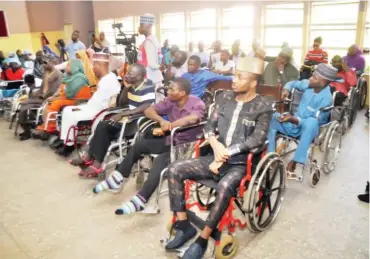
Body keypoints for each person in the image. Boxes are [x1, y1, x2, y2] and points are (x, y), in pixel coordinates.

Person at [164, 57, 272, 259]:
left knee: (224, 186)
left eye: (240, 77)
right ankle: (184, 225)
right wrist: (216, 145)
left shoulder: (263, 106)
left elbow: (257, 140)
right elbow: (208, 127)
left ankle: (202, 239)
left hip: (240, 165)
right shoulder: (223, 99)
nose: (234, 80)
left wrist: (226, 154)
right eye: (235, 75)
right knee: (174, 169)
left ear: (253, 82)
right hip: (213, 157)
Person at [92, 78, 205, 216]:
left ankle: (141, 199)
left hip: (188, 147)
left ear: (182, 93)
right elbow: (148, 111)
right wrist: (162, 120)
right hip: (170, 141)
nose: (167, 91)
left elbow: (192, 119)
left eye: (171, 89)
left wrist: (171, 125)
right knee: (139, 144)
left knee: (159, 163)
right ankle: (118, 177)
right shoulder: (170, 100)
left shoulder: (197, 103)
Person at [70, 64, 156, 176]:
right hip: (130, 118)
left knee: (105, 127)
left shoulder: (148, 86)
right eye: (127, 72)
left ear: (140, 76)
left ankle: (95, 163)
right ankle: (91, 157)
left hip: (140, 121)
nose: (126, 75)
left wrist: (124, 113)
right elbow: (122, 103)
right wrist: (126, 87)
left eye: (130, 73)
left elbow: (146, 106)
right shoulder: (133, 85)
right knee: (103, 124)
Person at [267, 63, 337, 177]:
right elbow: (293, 82)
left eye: (314, 77)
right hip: (295, 123)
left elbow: (317, 122)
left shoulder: (326, 99)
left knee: (311, 122)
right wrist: (287, 89)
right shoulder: (308, 85)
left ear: (323, 81)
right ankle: (271, 155)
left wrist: (294, 120)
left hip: (310, 131)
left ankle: (294, 162)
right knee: (274, 116)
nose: (310, 78)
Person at [56, 53, 120, 156]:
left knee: (69, 112)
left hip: (97, 112)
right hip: (93, 107)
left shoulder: (108, 81)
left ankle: (68, 145)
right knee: (68, 110)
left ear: (99, 65)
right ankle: (66, 140)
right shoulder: (108, 78)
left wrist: (84, 108)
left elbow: (102, 104)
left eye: (94, 66)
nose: (93, 69)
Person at [31, 59, 92, 139]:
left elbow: (70, 94)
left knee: (54, 103)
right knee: (51, 102)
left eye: (68, 65)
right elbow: (62, 91)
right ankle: (46, 127)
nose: (66, 67)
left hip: (77, 100)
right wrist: (54, 97)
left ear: (75, 67)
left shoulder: (79, 78)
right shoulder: (69, 77)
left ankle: (50, 128)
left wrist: (57, 98)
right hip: (69, 98)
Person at [18, 55, 62, 141]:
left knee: (24, 106)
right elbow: (42, 88)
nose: (44, 65)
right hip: (40, 97)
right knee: (22, 105)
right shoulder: (46, 73)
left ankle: (28, 130)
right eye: (42, 63)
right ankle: (27, 129)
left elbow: (54, 90)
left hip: (47, 99)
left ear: (52, 62)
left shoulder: (58, 75)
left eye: (45, 63)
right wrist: (36, 93)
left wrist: (42, 96)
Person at [137, 14, 163, 100]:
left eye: (141, 25)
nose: (139, 28)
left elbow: (152, 64)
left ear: (148, 25)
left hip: (150, 79)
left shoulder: (149, 41)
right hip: (153, 78)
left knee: (152, 106)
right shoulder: (152, 39)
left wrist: (160, 67)